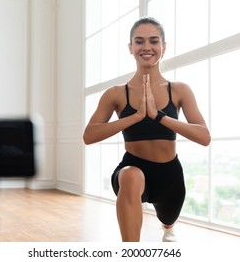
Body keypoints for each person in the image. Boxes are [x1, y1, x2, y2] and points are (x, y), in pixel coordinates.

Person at [83, 17, 211, 242]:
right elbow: (89, 136)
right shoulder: (115, 93)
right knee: (132, 176)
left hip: (169, 174)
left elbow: (204, 136)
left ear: (163, 47)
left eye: (154, 41)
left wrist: (158, 116)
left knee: (168, 219)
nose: (147, 47)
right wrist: (136, 117)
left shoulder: (180, 90)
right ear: (130, 47)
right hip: (132, 166)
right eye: (139, 41)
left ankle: (168, 228)